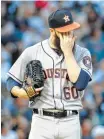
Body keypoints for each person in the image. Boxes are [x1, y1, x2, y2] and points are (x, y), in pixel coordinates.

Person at [6, 8, 93, 139]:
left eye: (71, 29)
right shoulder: (33, 52)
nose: (69, 34)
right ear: (52, 31)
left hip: (70, 122)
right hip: (41, 121)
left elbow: (81, 83)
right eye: (64, 32)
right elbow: (11, 81)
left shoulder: (82, 53)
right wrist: (21, 92)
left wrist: (68, 53)